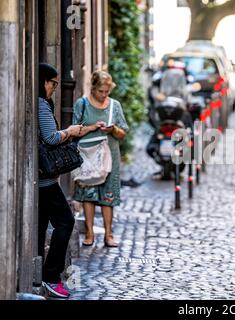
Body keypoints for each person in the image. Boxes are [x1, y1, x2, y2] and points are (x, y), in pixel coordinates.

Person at [38, 63, 97, 298]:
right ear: (44, 82)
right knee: (65, 221)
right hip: (46, 182)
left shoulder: (41, 103)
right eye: (53, 83)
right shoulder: (41, 105)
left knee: (42, 226)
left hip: (42, 180)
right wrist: (70, 131)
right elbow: (51, 138)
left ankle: (41, 275)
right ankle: (51, 276)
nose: (54, 87)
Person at [72, 71, 129, 248]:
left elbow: (123, 133)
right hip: (88, 155)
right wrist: (92, 127)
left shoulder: (114, 106)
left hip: (109, 155)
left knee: (108, 194)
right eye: (100, 91)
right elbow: (74, 131)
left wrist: (112, 130)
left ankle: (109, 234)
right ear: (93, 88)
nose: (104, 95)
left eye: (107, 91)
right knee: (88, 194)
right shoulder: (82, 104)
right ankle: (89, 233)